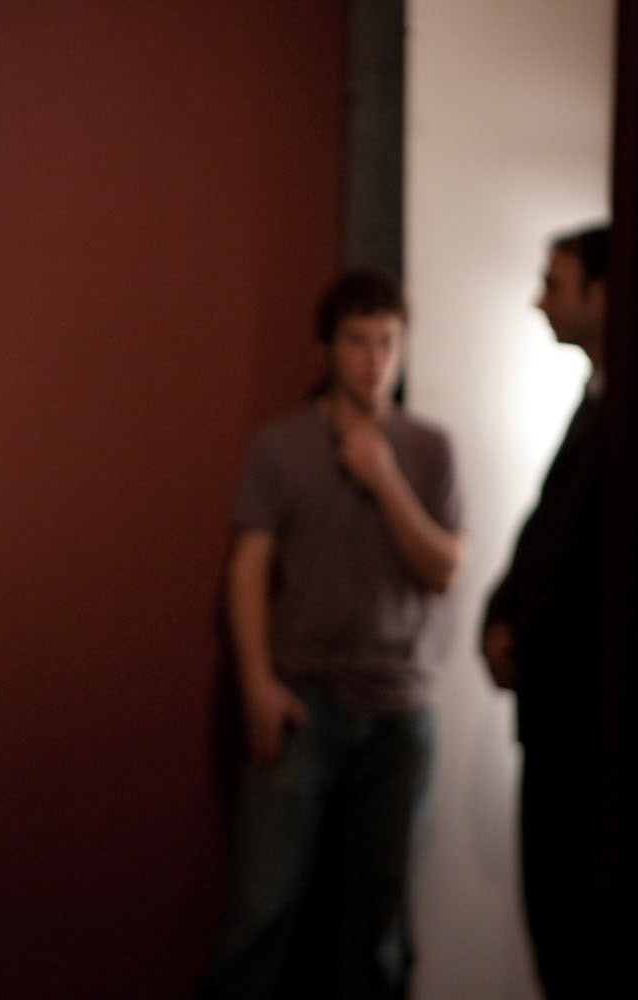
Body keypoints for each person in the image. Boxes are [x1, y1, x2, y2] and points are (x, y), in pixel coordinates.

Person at [202, 270, 462, 998]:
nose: (375, 360)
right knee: (260, 912)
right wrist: (256, 682)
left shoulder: (429, 447)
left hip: (400, 713)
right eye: (358, 341)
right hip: (302, 702)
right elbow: (247, 568)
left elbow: (445, 569)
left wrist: (387, 480)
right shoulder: (280, 445)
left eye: (387, 342)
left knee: (380, 929)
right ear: (328, 348)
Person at [481, 225, 608, 996]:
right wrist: (500, 617)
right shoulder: (592, 403)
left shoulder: (634, 415)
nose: (538, 301)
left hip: (585, 729)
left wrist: (520, 629)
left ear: (603, 293)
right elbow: (544, 532)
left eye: (554, 284)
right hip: (556, 718)